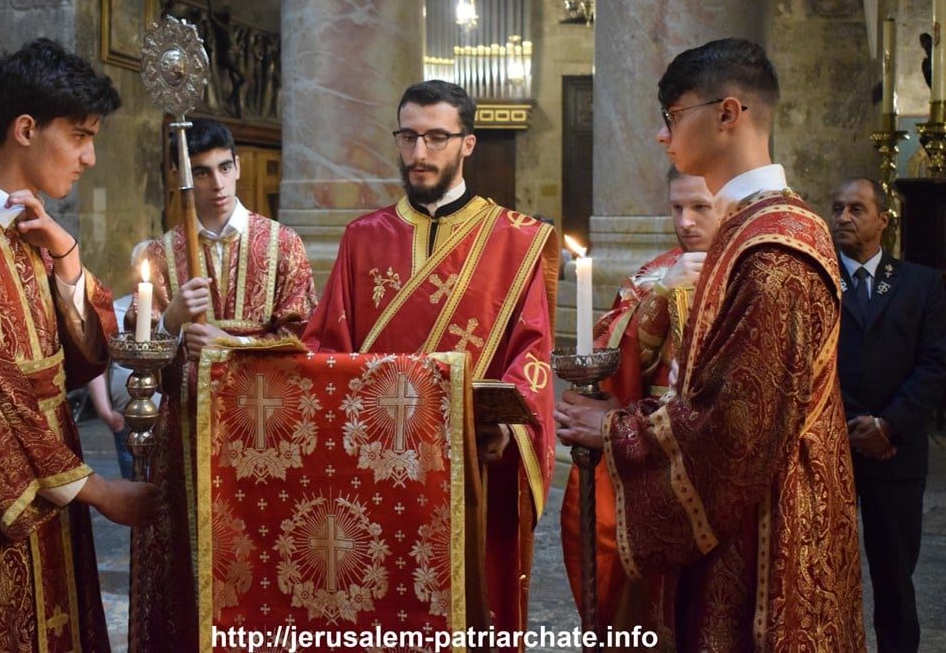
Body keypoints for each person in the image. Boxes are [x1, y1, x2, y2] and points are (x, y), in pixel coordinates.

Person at [555, 38, 865, 650]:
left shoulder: (774, 250)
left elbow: (736, 426)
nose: (661, 135)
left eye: (673, 115)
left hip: (769, 537)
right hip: (748, 517)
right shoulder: (749, 229)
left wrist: (615, 429)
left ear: (727, 114)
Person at [0, 38, 159, 652]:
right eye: (80, 136)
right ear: (26, 129)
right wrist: (102, 492)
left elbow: (87, 358)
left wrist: (68, 260)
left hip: (58, 479)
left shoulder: (30, 231)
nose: (89, 158)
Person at [303, 80, 558, 639]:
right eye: (408, 137)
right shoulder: (362, 237)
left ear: (468, 143)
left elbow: (533, 354)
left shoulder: (515, 241)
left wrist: (507, 430)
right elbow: (324, 347)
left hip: (473, 467)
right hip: (376, 469)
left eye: (436, 138)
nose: (419, 153)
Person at [128, 118, 317, 650]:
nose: (216, 183)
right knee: (185, 563)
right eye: (202, 172)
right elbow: (138, 359)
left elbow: (305, 343)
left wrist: (229, 345)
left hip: (263, 434)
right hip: (183, 433)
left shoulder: (283, 244)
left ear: (237, 167)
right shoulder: (158, 254)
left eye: (224, 168)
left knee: (263, 558)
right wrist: (169, 320)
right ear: (179, 178)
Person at [559, 168, 721, 631]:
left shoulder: (747, 271)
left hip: (711, 447)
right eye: (677, 207)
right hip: (647, 450)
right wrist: (662, 294)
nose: (686, 221)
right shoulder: (654, 273)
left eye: (700, 207)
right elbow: (612, 351)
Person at [830, 177, 946, 652]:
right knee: (823, 570)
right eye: (837, 208)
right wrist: (850, 423)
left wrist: (887, 424)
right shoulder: (816, 280)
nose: (843, 217)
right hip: (831, 447)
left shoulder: (921, 283)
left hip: (895, 453)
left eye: (856, 208)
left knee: (895, 576)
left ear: (883, 219)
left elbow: (935, 364)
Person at [86, 240, 156, 480]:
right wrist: (105, 412)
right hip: (126, 419)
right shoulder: (115, 310)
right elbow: (99, 363)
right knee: (134, 481)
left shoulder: (175, 311)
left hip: (168, 418)